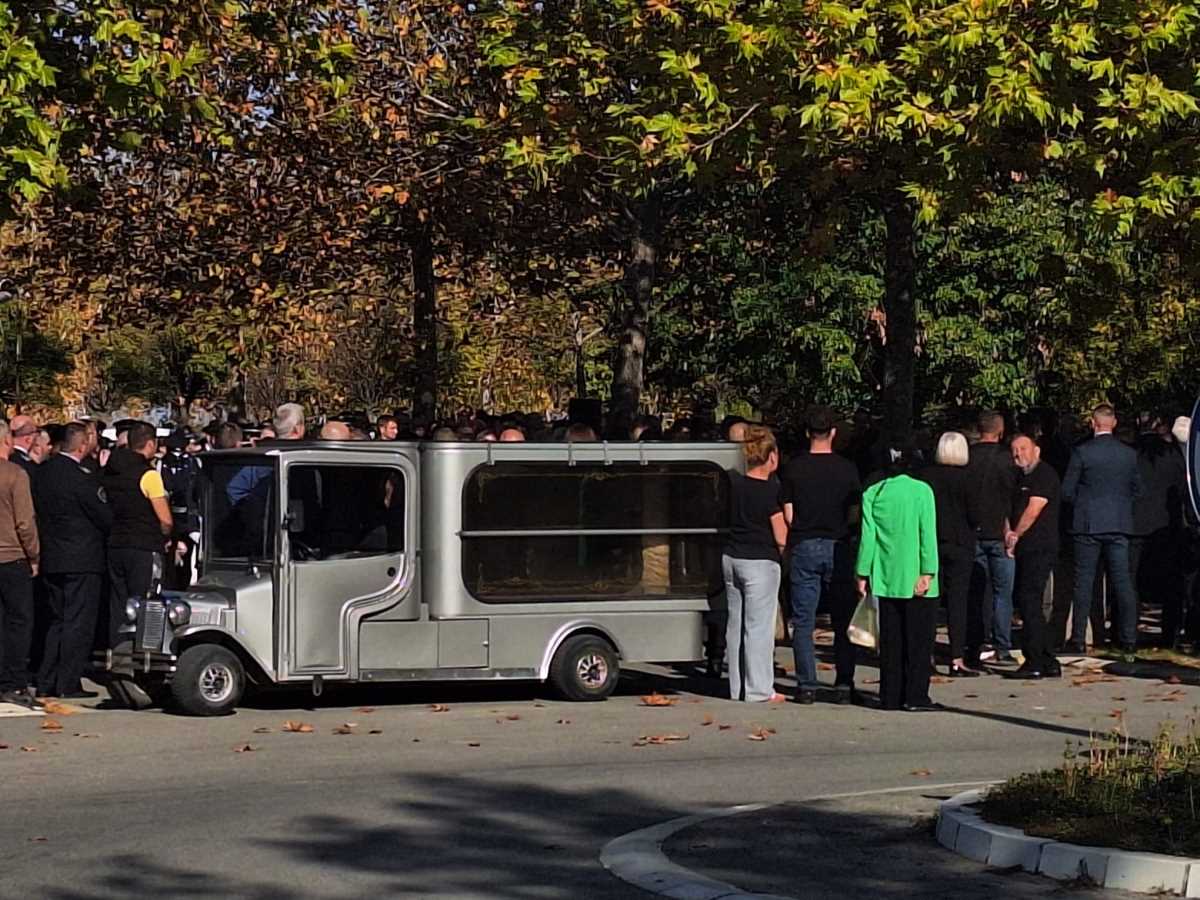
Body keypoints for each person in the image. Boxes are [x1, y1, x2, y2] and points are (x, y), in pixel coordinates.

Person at [781, 405, 862, 704]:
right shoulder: (846, 468)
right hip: (838, 543)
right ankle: (843, 683)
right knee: (842, 618)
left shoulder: (794, 468)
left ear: (806, 434)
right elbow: (855, 512)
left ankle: (806, 684)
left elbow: (788, 514)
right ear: (833, 433)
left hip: (804, 542)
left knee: (804, 620)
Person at [856, 445, 940, 711]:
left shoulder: (873, 493)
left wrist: (862, 571)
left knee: (891, 639)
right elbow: (927, 533)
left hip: (885, 573)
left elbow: (868, 537)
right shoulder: (922, 491)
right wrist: (928, 570)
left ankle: (890, 695)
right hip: (916, 572)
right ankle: (915, 695)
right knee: (919, 639)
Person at [35, 422, 112, 699]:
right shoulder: (82, 477)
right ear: (81, 446)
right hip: (81, 558)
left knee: (56, 621)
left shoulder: (42, 473)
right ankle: (68, 683)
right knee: (78, 622)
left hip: (52, 556)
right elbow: (103, 515)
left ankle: (47, 679)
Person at [1062, 404, 1142, 660]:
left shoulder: (1083, 452)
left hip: (1088, 523)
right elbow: (1138, 489)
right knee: (1123, 583)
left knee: (1083, 583)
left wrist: (1083, 503)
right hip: (1118, 524)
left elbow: (1067, 490)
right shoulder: (1128, 455)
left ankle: (1078, 639)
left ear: (1092, 423)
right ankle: (1129, 639)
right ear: (1114, 423)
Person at [722, 425, 787, 704]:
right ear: (771, 456)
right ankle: (759, 689)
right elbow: (780, 534)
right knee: (758, 628)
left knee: (735, 625)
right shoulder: (769, 490)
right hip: (760, 560)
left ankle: (737, 687)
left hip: (731, 557)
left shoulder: (732, 484)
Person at [104, 422, 173, 649]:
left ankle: (117, 651)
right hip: (144, 546)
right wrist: (165, 534)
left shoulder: (111, 471)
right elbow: (165, 519)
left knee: (119, 605)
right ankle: (142, 654)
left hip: (116, 544)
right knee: (145, 603)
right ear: (151, 444)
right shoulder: (149, 475)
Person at [919, 431, 980, 677]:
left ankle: (927, 655)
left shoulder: (927, 477)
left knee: (930, 601)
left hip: (932, 542)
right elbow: (975, 514)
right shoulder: (968, 479)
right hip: (961, 543)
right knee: (958, 602)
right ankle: (956, 657)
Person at [1004, 435, 1063, 679]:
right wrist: (1007, 532)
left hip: (1040, 546)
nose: (1019, 454)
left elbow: (1034, 508)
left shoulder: (1044, 475)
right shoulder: (1018, 477)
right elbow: (1009, 507)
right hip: (1024, 547)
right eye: (1015, 450)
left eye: (1023, 449)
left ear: (1036, 450)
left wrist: (1016, 534)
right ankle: (1048, 659)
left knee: (1030, 601)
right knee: (1027, 601)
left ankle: (1035, 659)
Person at [1130, 418, 1188, 647]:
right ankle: (1169, 635)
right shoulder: (1173, 456)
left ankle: (1126, 633)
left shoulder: (1132, 455)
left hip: (1135, 525)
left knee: (1130, 582)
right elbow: (1182, 489)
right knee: (1171, 585)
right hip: (1167, 525)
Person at [966, 411, 1017, 663]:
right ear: (1000, 431)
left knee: (976, 591)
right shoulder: (1007, 459)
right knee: (1002, 591)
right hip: (999, 530)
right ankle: (1002, 645)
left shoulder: (967, 457)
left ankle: (975, 642)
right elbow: (1013, 496)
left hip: (973, 530)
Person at [0, 421, 41, 708]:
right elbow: (25, 522)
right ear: (7, 440)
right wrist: (34, 554)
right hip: (12, 555)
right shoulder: (15, 474)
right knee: (19, 621)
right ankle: (13, 682)